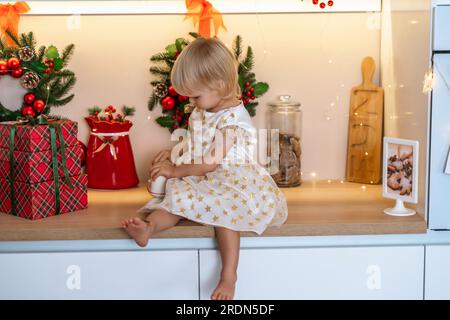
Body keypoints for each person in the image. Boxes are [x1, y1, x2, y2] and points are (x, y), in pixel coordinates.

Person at [122, 37, 288, 300]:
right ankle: (149, 228)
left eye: (196, 95)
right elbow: (198, 141)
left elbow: (211, 161)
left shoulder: (233, 120)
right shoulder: (205, 106)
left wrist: (175, 171)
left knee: (225, 214)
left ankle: (229, 275)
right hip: (202, 172)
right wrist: (176, 152)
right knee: (175, 199)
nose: (193, 101)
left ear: (219, 85)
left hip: (231, 177)